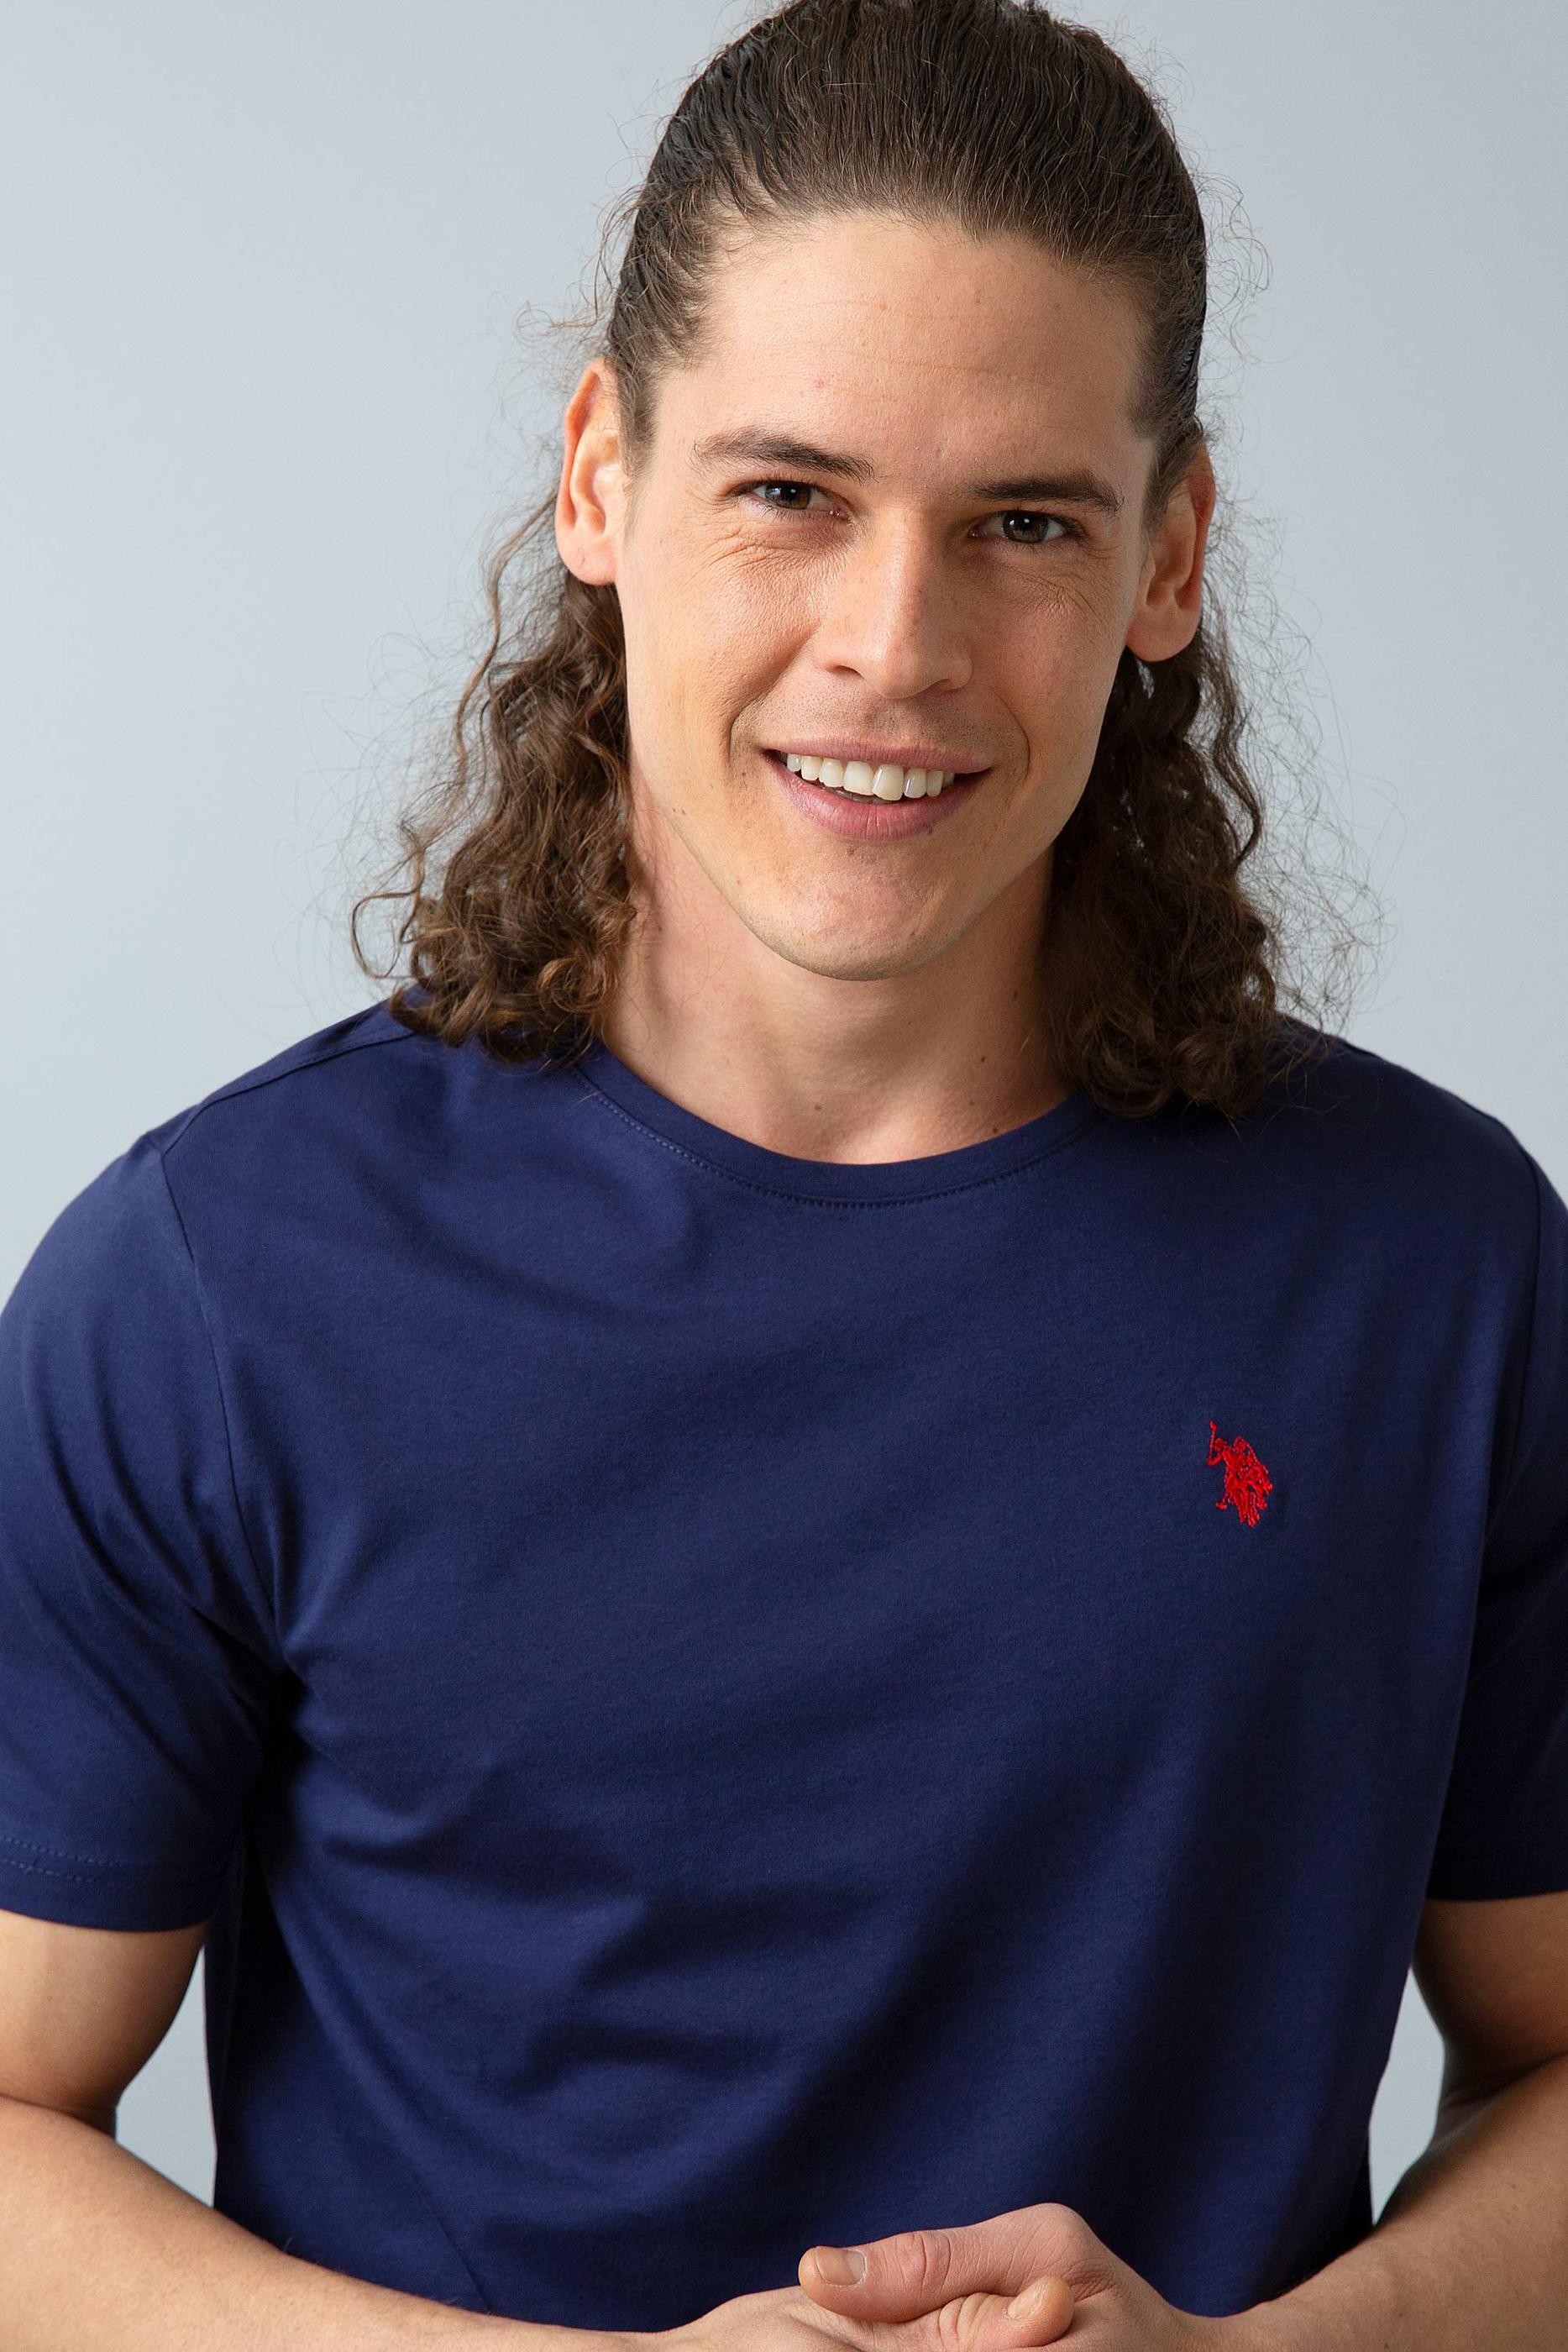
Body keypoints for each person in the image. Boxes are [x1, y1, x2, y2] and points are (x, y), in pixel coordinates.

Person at [2, 2, 1565, 2346]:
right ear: (599, 482)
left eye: (1022, 523)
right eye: (789, 495)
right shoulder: (212, 1286)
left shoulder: (1438, 1269)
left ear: (1168, 557)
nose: (891, 646)